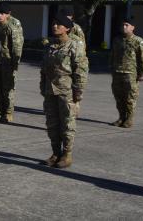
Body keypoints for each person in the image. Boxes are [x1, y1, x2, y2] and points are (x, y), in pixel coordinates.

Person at [40, 11, 88, 168]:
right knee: (52, 124)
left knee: (67, 124)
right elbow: (44, 70)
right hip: (50, 91)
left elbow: (80, 71)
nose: (54, 26)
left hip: (66, 92)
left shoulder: (75, 46)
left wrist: (78, 94)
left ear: (66, 28)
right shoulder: (49, 46)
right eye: (53, 23)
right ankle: (55, 153)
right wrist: (43, 87)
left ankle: (67, 155)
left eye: (58, 24)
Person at [109, 17, 143, 128]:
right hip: (117, 73)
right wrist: (112, 68)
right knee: (119, 97)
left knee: (130, 98)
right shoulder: (117, 40)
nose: (124, 27)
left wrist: (142, 74)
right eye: (123, 24)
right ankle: (121, 118)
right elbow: (112, 56)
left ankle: (129, 120)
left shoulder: (138, 41)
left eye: (127, 25)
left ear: (133, 27)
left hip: (130, 74)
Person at [0, 3, 24, 123]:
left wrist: (15, 64)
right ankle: (2, 112)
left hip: (8, 62)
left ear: (8, 14)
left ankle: (8, 113)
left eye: (2, 13)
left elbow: (17, 47)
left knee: (8, 89)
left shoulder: (11, 27)